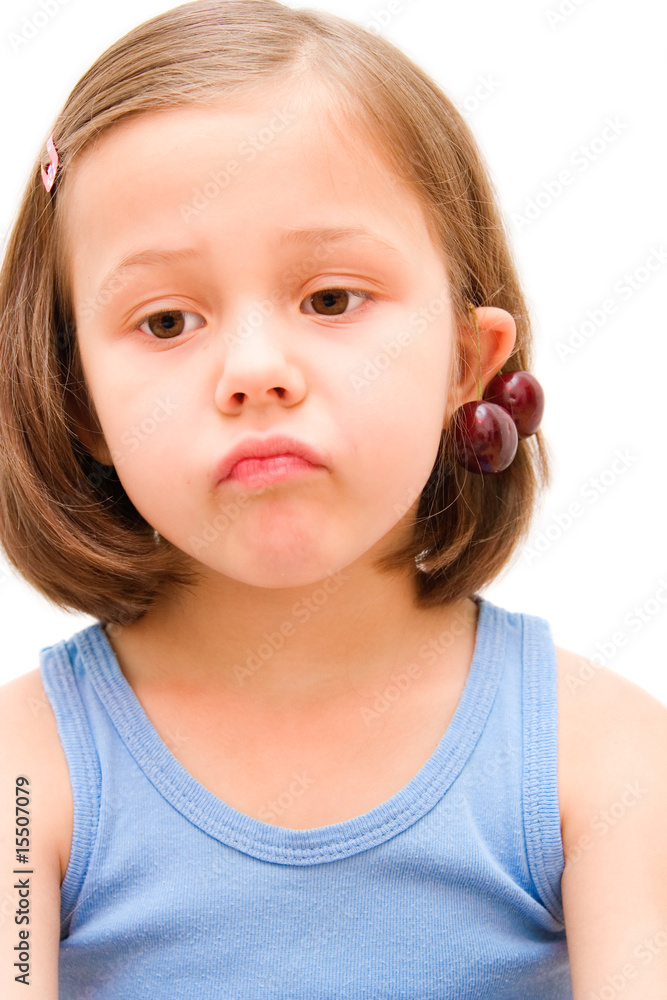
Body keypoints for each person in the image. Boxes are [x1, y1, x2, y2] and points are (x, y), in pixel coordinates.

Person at [0, 1, 665, 997]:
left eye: (330, 299)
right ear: (79, 400)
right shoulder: (22, 776)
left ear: (467, 363)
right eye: (168, 318)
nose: (256, 370)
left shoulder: (605, 757)